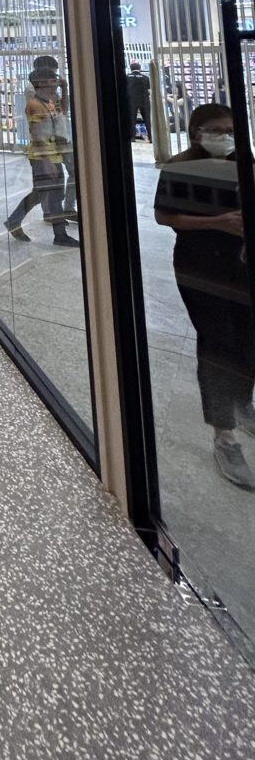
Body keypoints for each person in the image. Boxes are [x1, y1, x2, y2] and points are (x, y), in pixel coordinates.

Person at [154, 103, 255, 491]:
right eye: (216, 129)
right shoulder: (181, 166)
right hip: (200, 266)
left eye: (230, 129)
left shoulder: (241, 160)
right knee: (217, 342)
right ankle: (223, 435)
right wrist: (216, 223)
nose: (224, 136)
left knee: (247, 335)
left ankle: (242, 401)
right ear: (197, 133)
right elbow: (164, 216)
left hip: (241, 263)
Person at [5, 68, 80, 248]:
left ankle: (15, 221)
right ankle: (59, 234)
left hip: (51, 156)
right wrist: (47, 162)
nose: (56, 81)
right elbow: (37, 135)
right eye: (53, 79)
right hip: (43, 158)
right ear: (42, 83)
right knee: (51, 195)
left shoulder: (49, 102)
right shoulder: (35, 105)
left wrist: (65, 88)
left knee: (43, 194)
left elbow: (64, 112)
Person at [33, 54, 77, 218]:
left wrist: (64, 89)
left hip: (62, 137)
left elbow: (63, 111)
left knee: (73, 172)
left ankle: (68, 208)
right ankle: (49, 212)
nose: (55, 77)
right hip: (46, 142)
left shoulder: (53, 89)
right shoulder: (33, 91)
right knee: (49, 180)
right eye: (52, 73)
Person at [126, 61, 151, 141]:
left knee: (132, 119)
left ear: (130, 69)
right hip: (144, 100)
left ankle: (132, 137)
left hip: (131, 100)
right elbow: (149, 90)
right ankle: (151, 137)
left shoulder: (127, 77)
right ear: (140, 69)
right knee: (147, 119)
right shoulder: (145, 78)